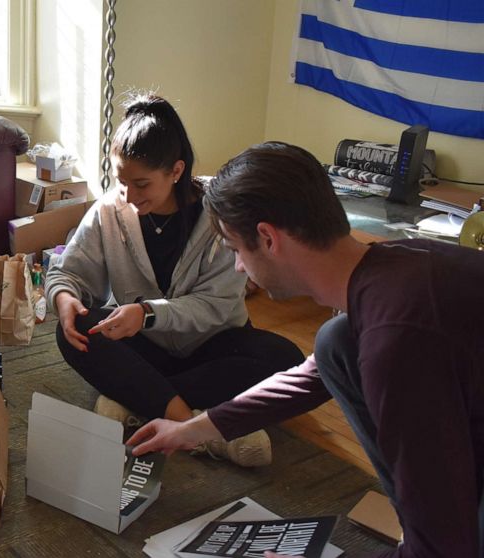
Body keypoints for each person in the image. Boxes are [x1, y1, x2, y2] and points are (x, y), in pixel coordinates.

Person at [127, 142, 484, 557]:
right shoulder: (390, 264)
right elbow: (312, 376)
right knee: (335, 343)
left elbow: (446, 549)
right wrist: (195, 428)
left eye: (235, 251)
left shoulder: (397, 341)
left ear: (268, 238)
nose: (239, 267)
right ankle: (419, 515)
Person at [46, 94, 303, 467]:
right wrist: (64, 297)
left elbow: (215, 306)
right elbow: (68, 270)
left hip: (212, 344)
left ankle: (137, 401)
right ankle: (196, 428)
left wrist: (148, 313)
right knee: (75, 330)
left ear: (177, 171)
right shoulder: (109, 210)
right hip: (146, 345)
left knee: (287, 361)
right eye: (122, 182)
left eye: (143, 184)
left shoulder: (222, 215)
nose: (130, 196)